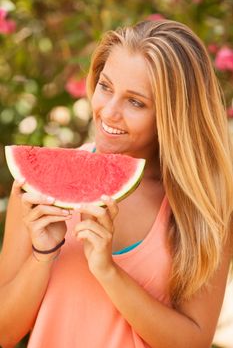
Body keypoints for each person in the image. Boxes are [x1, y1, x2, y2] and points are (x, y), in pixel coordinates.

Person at [0, 19, 232, 348]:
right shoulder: (37, 191)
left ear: (173, 116)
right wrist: (43, 254)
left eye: (135, 102)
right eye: (105, 86)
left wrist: (108, 271)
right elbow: (3, 333)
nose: (109, 112)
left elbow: (193, 341)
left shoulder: (204, 208)